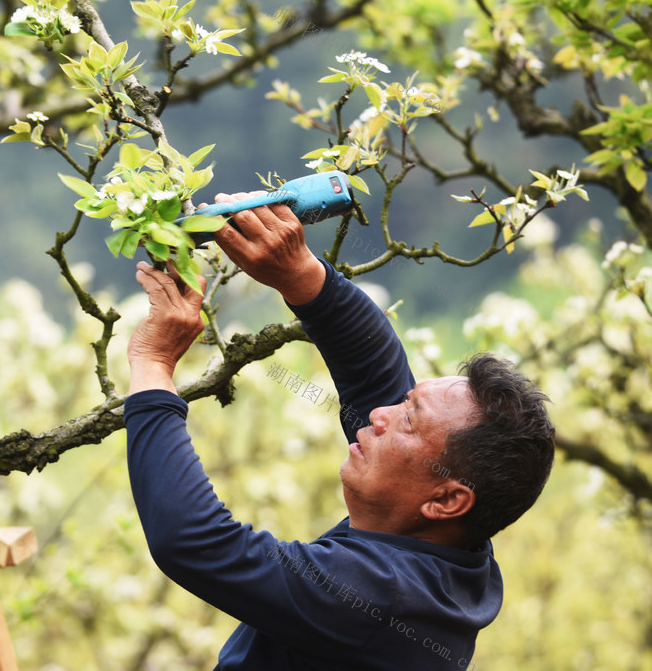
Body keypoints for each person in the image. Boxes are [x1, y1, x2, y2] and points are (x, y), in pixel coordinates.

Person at [123, 194, 555, 670]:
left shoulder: (378, 599)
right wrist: (299, 273)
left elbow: (194, 542)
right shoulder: (449, 545)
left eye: (407, 420)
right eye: (405, 403)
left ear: (447, 500)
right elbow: (376, 375)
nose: (380, 415)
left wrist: (152, 366)